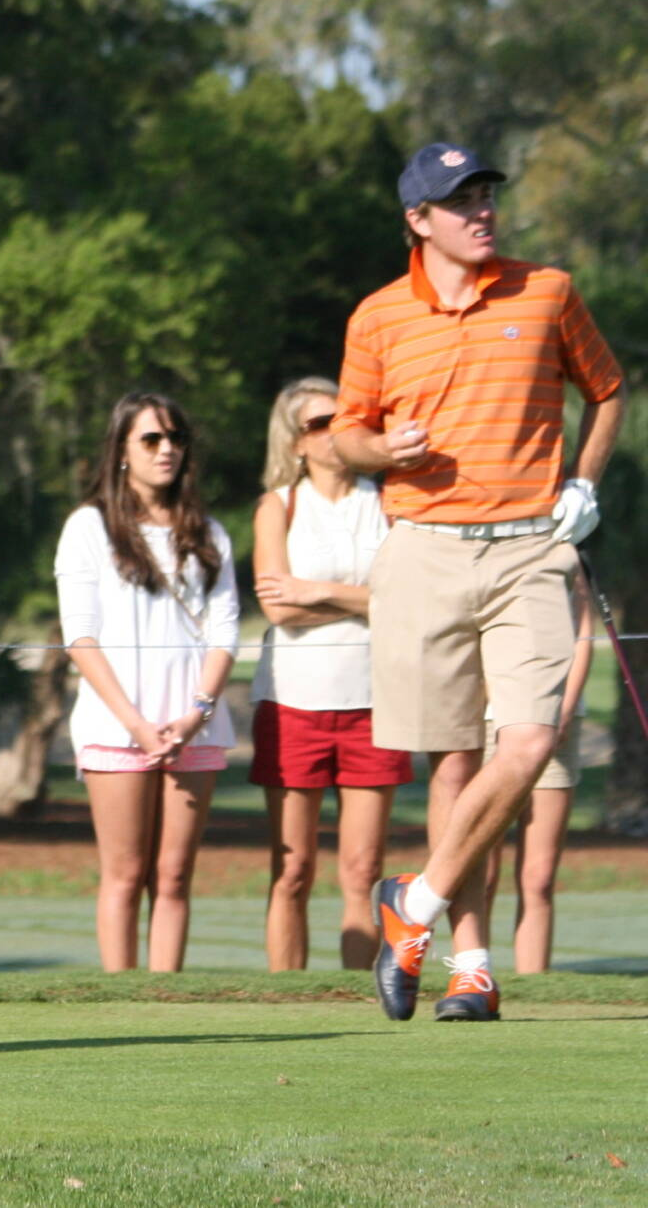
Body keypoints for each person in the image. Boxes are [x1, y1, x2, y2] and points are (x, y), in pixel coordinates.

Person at [335, 144, 623, 1023]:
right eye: (460, 201)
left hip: (530, 548)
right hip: (423, 548)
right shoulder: (379, 316)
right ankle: (471, 967)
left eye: (487, 194)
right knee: (455, 766)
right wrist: (384, 451)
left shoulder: (548, 290)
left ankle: (410, 908)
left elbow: (607, 391)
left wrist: (585, 481)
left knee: (528, 747)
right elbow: (347, 433)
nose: (482, 210)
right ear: (418, 221)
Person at [57, 392, 240, 973]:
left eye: (176, 438)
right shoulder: (90, 527)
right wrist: (134, 723)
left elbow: (226, 631)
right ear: (121, 451)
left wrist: (197, 713)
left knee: (175, 874)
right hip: (117, 723)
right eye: (151, 439)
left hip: (194, 727)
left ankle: (170, 1000)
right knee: (126, 872)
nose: (167, 450)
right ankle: (122, 999)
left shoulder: (208, 531)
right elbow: (79, 636)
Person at [249, 375, 406, 971]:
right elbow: (276, 608)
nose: (335, 431)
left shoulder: (388, 500)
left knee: (363, 870)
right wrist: (362, 597)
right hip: (293, 704)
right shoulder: (279, 506)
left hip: (375, 701)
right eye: (319, 423)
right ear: (294, 442)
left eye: (344, 418)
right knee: (292, 869)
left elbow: (405, 599)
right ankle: (285, 1002)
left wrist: (316, 589)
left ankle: (355, 996)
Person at [473, 573, 596, 974]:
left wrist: (563, 708)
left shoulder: (566, 549)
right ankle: (474, 977)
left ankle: (534, 984)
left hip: (557, 723)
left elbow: (582, 630)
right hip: (489, 722)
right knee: (483, 874)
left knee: (539, 877)